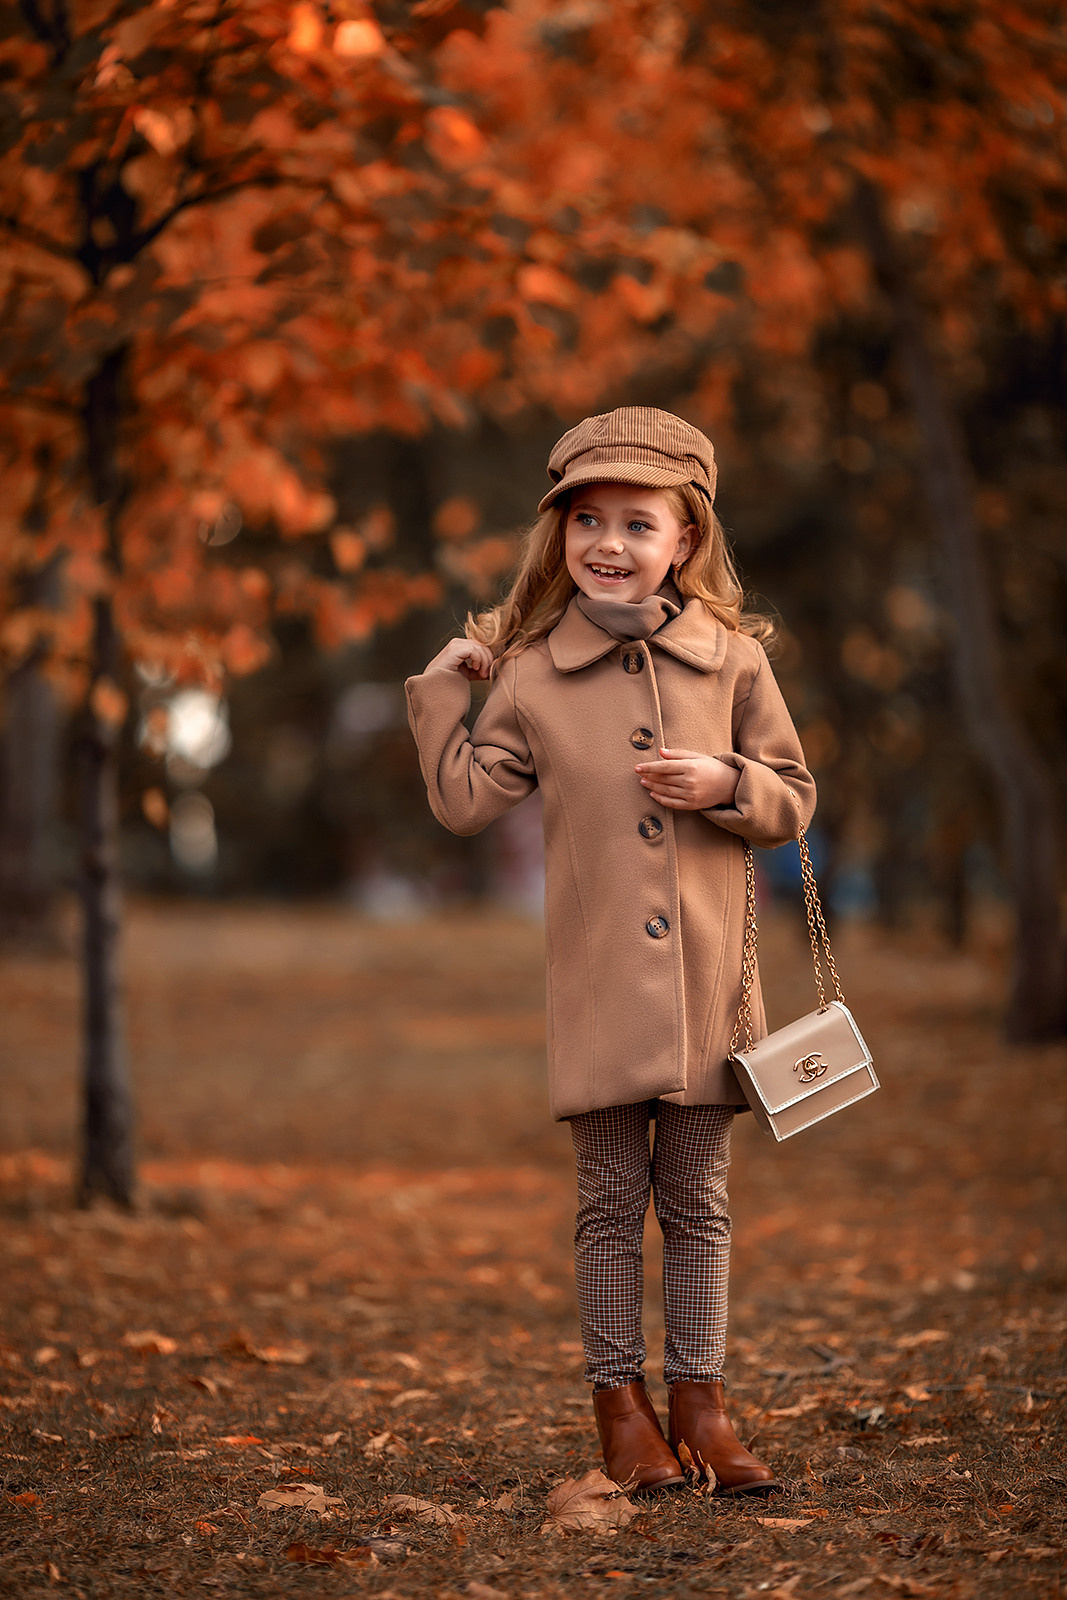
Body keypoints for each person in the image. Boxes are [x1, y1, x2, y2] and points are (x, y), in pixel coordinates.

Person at [405, 408, 816, 1495]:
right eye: (587, 518)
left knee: (698, 1204)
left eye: (638, 521)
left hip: (709, 996)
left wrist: (727, 782)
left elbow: (792, 797)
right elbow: (463, 801)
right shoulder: (533, 674)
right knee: (604, 1206)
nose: (609, 541)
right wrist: (445, 689)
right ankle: (618, 1409)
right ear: (560, 533)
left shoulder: (731, 660)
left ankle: (702, 1406)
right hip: (596, 996)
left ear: (684, 538)